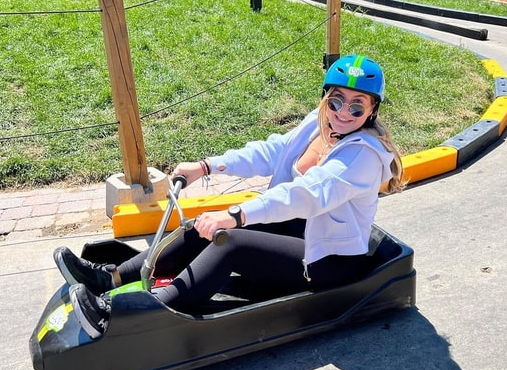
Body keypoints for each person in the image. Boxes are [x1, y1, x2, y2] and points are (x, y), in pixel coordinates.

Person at [53, 55, 404, 338]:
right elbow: (272, 151)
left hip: (328, 259)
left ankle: (142, 315)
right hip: (301, 229)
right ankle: (112, 277)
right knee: (201, 227)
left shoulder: (363, 155)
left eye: (357, 107)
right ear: (326, 97)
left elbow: (308, 194)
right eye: (337, 100)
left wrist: (236, 216)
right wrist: (206, 167)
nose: (343, 112)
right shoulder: (319, 122)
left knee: (229, 241)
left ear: (372, 110)